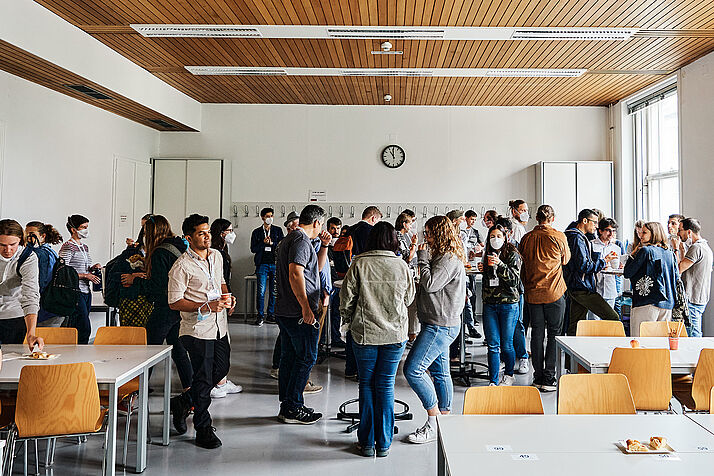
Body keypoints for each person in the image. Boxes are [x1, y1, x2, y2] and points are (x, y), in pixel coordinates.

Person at [340, 221, 415, 457]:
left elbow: (346, 300)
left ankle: (367, 442)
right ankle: (384, 443)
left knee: (367, 384)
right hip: (395, 334)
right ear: (393, 240)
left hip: (365, 334)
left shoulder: (359, 263)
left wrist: (348, 320)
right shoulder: (401, 265)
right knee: (385, 385)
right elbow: (410, 298)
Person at [168, 214, 236, 449]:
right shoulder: (181, 266)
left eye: (208, 231)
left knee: (221, 369)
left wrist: (228, 296)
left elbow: (221, 282)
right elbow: (174, 302)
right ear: (189, 237)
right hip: (196, 329)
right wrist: (204, 306)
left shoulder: (216, 256)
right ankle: (203, 428)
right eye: (201, 233)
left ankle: (183, 401)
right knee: (205, 376)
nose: (207, 236)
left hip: (219, 326)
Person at [122, 215, 194, 434]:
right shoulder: (179, 246)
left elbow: (157, 287)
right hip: (179, 307)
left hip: (165, 307)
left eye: (145, 231)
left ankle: (131, 395)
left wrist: (136, 279)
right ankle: (190, 394)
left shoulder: (160, 252)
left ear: (151, 232)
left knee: (148, 351)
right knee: (179, 349)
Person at [404, 216, 465, 444]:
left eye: (429, 233)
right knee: (440, 373)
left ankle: (434, 419)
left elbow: (430, 285)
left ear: (439, 234)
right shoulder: (442, 256)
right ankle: (445, 422)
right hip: (438, 322)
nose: (426, 237)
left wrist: (422, 258)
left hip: (441, 325)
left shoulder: (447, 258)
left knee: (413, 370)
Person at [274, 205, 331, 424]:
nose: (322, 228)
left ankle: (288, 405)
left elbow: (312, 270)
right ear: (317, 222)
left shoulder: (293, 240)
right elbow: (296, 273)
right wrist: (306, 308)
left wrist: (324, 246)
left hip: (287, 310)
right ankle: (294, 406)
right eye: (322, 224)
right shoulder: (300, 240)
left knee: (290, 357)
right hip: (297, 312)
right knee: (307, 356)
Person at [519, 205, 570, 392]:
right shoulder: (558, 237)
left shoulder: (526, 238)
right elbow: (565, 260)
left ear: (536, 218)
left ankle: (537, 376)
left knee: (537, 334)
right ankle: (549, 378)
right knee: (554, 334)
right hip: (554, 292)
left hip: (532, 292)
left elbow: (523, 261)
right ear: (553, 218)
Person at [478, 224, 522, 386]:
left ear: (505, 237)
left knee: (506, 344)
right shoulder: (487, 254)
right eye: (492, 236)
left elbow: (514, 280)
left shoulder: (512, 254)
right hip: (490, 304)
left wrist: (500, 264)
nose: (495, 239)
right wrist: (483, 269)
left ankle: (509, 374)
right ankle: (493, 380)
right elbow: (488, 281)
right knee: (492, 344)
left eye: (499, 236)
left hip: (508, 304)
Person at [564, 209, 620, 335]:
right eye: (594, 223)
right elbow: (584, 266)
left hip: (576, 286)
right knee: (613, 317)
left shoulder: (575, 236)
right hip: (582, 287)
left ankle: (571, 354)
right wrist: (604, 261)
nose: (596, 226)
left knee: (576, 325)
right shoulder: (577, 238)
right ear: (584, 221)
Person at [624, 222, 679, 337]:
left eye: (644, 232)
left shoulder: (645, 251)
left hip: (647, 301)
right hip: (667, 302)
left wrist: (633, 255)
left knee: (640, 339)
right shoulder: (669, 253)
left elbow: (628, 272)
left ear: (653, 234)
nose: (641, 235)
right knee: (660, 342)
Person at [209, 218, 243, 398]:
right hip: (217, 300)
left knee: (223, 340)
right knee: (221, 341)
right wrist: (226, 298)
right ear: (221, 232)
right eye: (229, 230)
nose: (232, 233)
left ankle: (221, 380)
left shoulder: (222, 249)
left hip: (224, 297)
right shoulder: (215, 252)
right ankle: (219, 382)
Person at [0, 219, 43, 350]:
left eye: (12, 244)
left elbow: (30, 295)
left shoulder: (27, 257)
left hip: (14, 316)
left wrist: (31, 334)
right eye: (1, 245)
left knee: (11, 362)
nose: (8, 250)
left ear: (21, 240)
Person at [60, 215, 101, 344]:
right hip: (74, 291)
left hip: (86, 291)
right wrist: (84, 276)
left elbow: (82, 267)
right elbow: (62, 271)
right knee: (83, 327)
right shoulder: (68, 247)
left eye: (86, 227)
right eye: (83, 227)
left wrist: (92, 268)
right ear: (73, 229)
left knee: (82, 323)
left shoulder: (84, 247)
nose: (85, 230)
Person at [677, 218, 713, 337]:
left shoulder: (696, 248)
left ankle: (695, 355)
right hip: (700, 296)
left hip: (692, 297)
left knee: (693, 334)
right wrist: (682, 250)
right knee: (694, 330)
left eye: (680, 230)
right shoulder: (705, 247)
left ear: (689, 232)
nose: (678, 234)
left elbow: (679, 269)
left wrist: (677, 248)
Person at [24, 222, 63, 327]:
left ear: (43, 236)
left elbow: (40, 283)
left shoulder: (40, 254)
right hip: (54, 306)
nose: (28, 237)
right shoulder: (51, 251)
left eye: (32, 234)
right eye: (26, 234)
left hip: (45, 309)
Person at [250, 207, 284, 327]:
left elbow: (281, 246)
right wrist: (263, 243)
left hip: (275, 264)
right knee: (261, 291)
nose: (269, 218)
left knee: (274, 292)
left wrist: (272, 244)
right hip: (262, 264)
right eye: (267, 216)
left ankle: (271, 314)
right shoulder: (256, 232)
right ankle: (260, 315)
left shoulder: (278, 230)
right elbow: (253, 249)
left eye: (271, 216)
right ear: (262, 217)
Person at [591, 218, 622, 312]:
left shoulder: (616, 248)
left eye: (613, 231)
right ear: (600, 231)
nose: (611, 234)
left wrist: (620, 270)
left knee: (608, 322)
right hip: (594, 290)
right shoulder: (591, 245)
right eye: (608, 230)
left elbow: (616, 271)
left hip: (610, 290)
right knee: (593, 322)